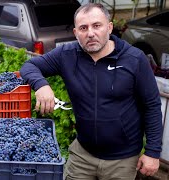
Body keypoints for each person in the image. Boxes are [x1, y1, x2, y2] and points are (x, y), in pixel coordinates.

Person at [20, 3, 163, 180]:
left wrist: (153, 152)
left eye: (97, 25)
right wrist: (41, 85)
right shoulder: (67, 55)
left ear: (109, 27)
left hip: (123, 161)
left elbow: (152, 106)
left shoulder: (134, 59)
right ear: (75, 33)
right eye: (83, 28)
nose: (90, 33)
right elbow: (29, 66)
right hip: (82, 155)